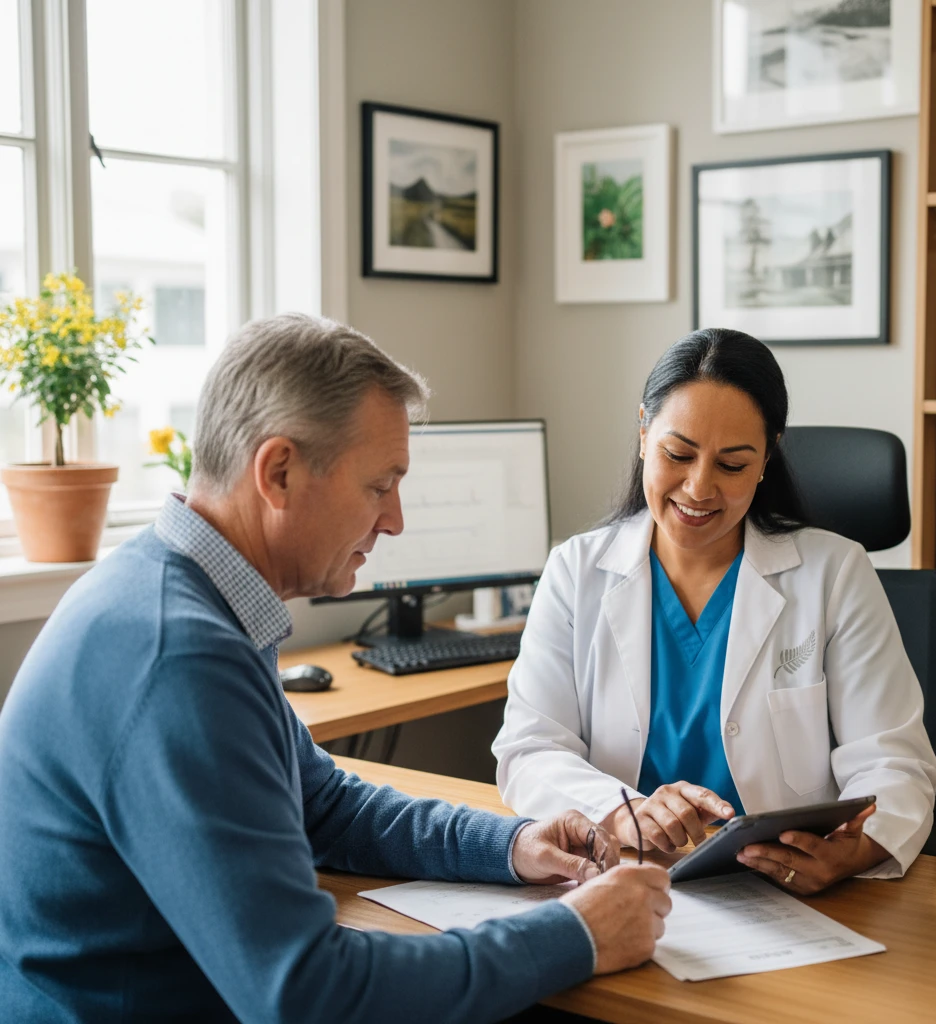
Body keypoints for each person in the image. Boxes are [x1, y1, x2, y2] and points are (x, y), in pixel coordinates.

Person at [0, 313, 672, 1023]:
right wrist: (575, 935)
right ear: (279, 472)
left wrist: (510, 843)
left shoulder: (185, 594)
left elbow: (321, 804)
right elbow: (304, 993)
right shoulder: (179, 657)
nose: (395, 521)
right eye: (380, 485)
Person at [493, 328, 936, 895]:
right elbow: (530, 749)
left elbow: (895, 763)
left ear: (766, 458)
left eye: (731, 465)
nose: (699, 487)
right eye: (677, 454)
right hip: (624, 882)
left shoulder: (834, 574)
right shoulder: (576, 571)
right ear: (642, 434)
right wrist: (622, 808)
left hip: (786, 893)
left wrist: (854, 851)